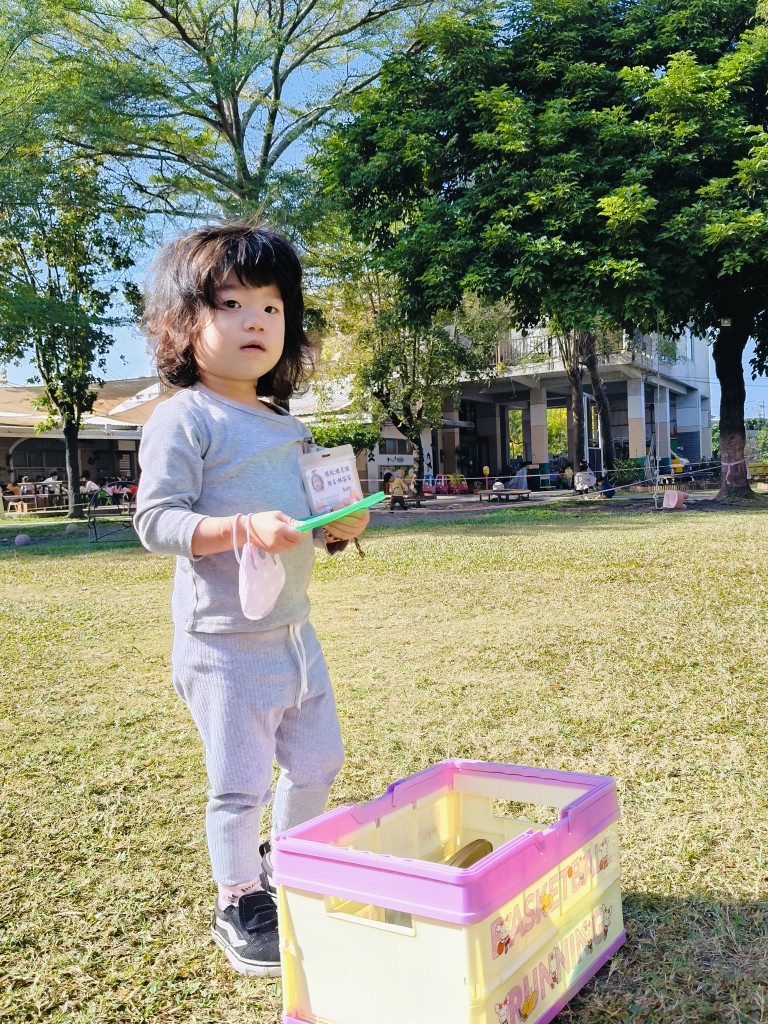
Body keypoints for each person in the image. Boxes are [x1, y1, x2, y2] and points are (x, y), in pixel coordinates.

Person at [133, 222, 369, 979]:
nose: (255, 321)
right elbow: (156, 521)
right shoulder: (184, 417)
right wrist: (239, 528)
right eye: (231, 304)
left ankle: (288, 864)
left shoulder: (286, 424)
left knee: (319, 760)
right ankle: (238, 898)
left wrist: (338, 528)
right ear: (183, 323)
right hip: (223, 643)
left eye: (271, 307)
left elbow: (304, 519)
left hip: (294, 632)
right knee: (239, 783)